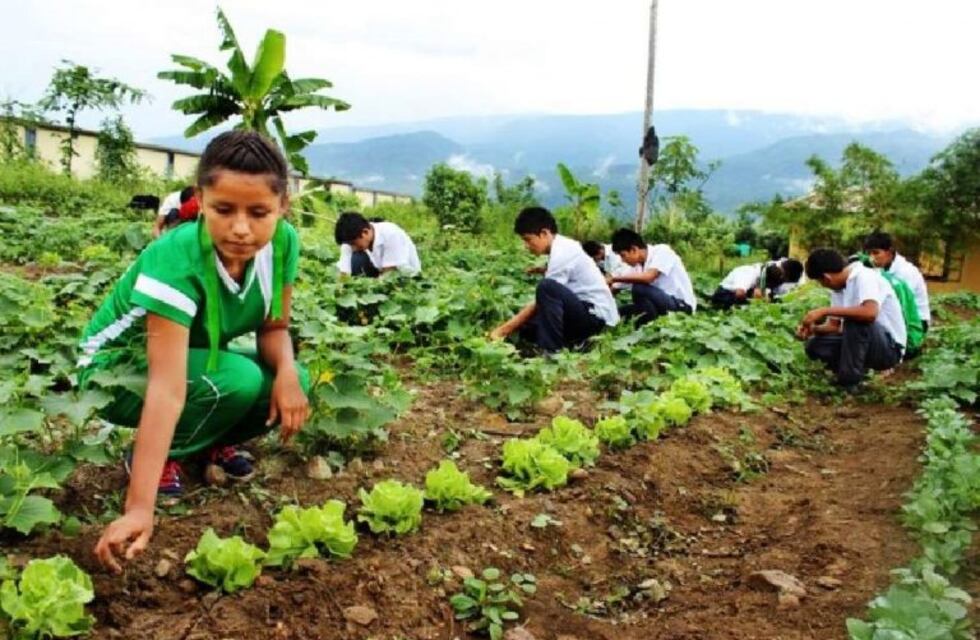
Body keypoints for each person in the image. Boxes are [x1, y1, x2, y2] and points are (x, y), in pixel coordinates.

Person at [86, 131, 310, 573]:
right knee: (240, 380)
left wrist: (285, 369)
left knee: (289, 380)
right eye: (223, 210)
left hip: (195, 362)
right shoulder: (178, 258)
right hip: (114, 373)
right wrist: (139, 508)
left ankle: (210, 445)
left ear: (282, 207)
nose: (241, 228)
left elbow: (275, 326)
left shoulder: (282, 243)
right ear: (201, 202)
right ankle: (155, 457)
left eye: (259, 212)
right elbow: (166, 387)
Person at [490, 207, 618, 352]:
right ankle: (573, 342)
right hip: (581, 310)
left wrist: (503, 330)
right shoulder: (561, 247)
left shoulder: (564, 252)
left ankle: (551, 353)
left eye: (528, 240)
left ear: (544, 233)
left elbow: (543, 298)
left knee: (546, 288)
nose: (526, 246)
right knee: (527, 326)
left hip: (595, 318)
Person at [797, 248, 906, 390]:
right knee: (815, 346)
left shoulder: (865, 277)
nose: (823, 285)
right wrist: (813, 329)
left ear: (826, 278)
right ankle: (856, 372)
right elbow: (834, 327)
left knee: (856, 320)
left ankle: (849, 382)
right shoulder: (838, 289)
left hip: (889, 348)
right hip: (864, 343)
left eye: (820, 282)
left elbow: (869, 313)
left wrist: (824, 311)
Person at [608, 228, 697, 325]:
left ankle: (650, 323)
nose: (623, 260)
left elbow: (649, 277)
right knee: (619, 312)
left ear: (634, 249)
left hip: (681, 306)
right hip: (661, 306)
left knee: (638, 288)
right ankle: (649, 321)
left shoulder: (662, 251)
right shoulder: (637, 266)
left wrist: (613, 278)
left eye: (623, 255)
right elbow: (616, 287)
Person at [863, 231, 931, 332]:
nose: (872, 258)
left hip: (915, 322)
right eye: (869, 254)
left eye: (876, 252)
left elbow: (904, 304)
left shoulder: (906, 272)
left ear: (889, 252)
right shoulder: (880, 270)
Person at [334, 212, 421, 277]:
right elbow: (344, 272)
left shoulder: (391, 233)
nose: (353, 248)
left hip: (403, 274)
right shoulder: (349, 240)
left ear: (365, 232)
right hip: (379, 269)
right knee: (356, 260)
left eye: (354, 244)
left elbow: (389, 273)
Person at [710, 258, 804, 310]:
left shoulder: (776, 276)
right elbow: (740, 293)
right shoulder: (749, 273)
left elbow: (782, 296)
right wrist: (754, 299)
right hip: (725, 295)